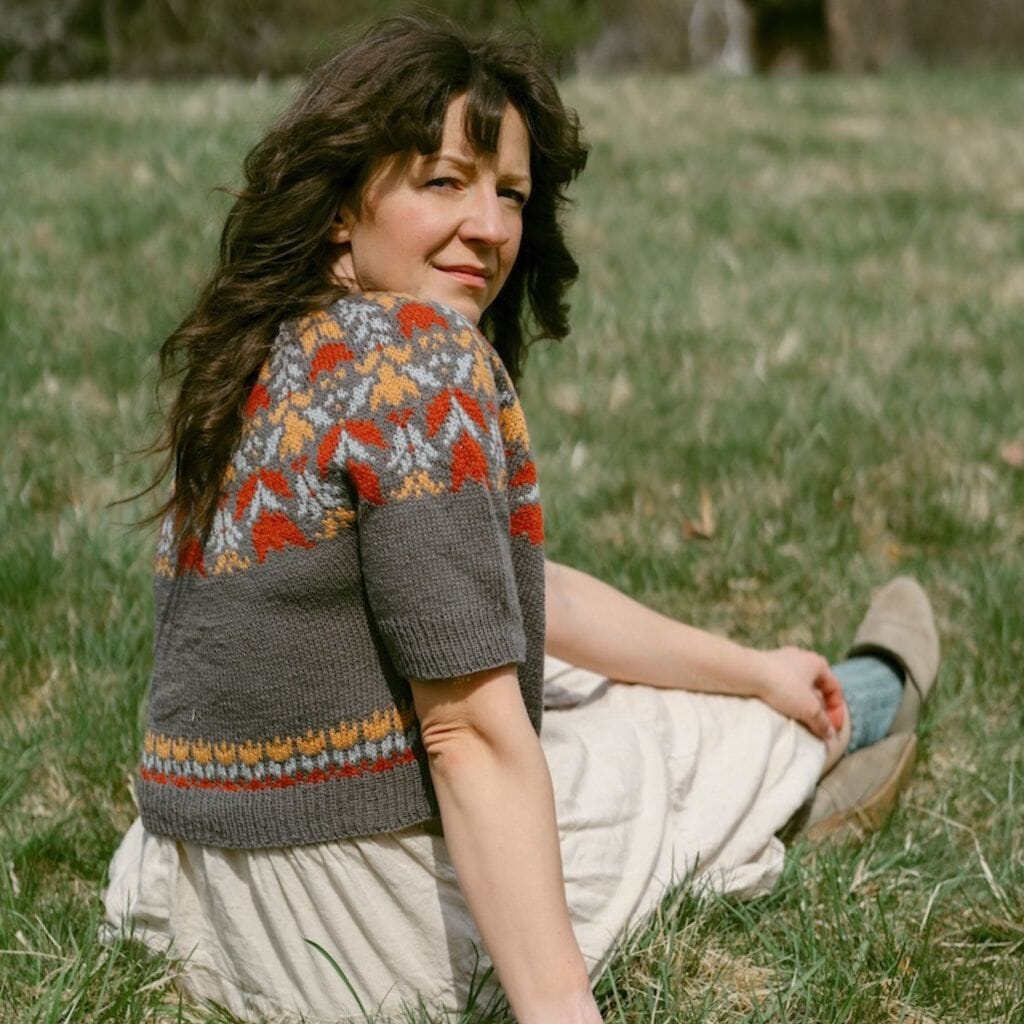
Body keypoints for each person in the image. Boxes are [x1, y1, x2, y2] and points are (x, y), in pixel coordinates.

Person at [103, 15, 940, 1024]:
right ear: (343, 199)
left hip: (191, 893)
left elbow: (519, 593)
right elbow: (466, 733)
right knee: (661, 747)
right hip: (356, 937)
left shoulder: (263, 350)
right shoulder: (417, 361)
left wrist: (751, 658)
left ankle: (787, 693)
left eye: (510, 195)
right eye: (444, 181)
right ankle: (857, 714)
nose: (492, 228)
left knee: (575, 671)